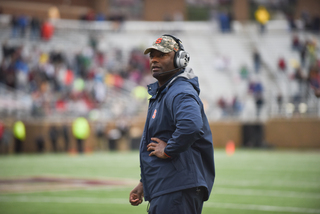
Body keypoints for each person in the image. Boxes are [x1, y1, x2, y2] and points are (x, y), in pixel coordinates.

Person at [129, 35, 215, 214]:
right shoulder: (165, 92)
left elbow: (191, 125)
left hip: (177, 189)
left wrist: (168, 150)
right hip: (168, 186)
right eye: (152, 55)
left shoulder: (180, 91)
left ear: (179, 59)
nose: (154, 59)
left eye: (161, 55)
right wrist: (144, 183)